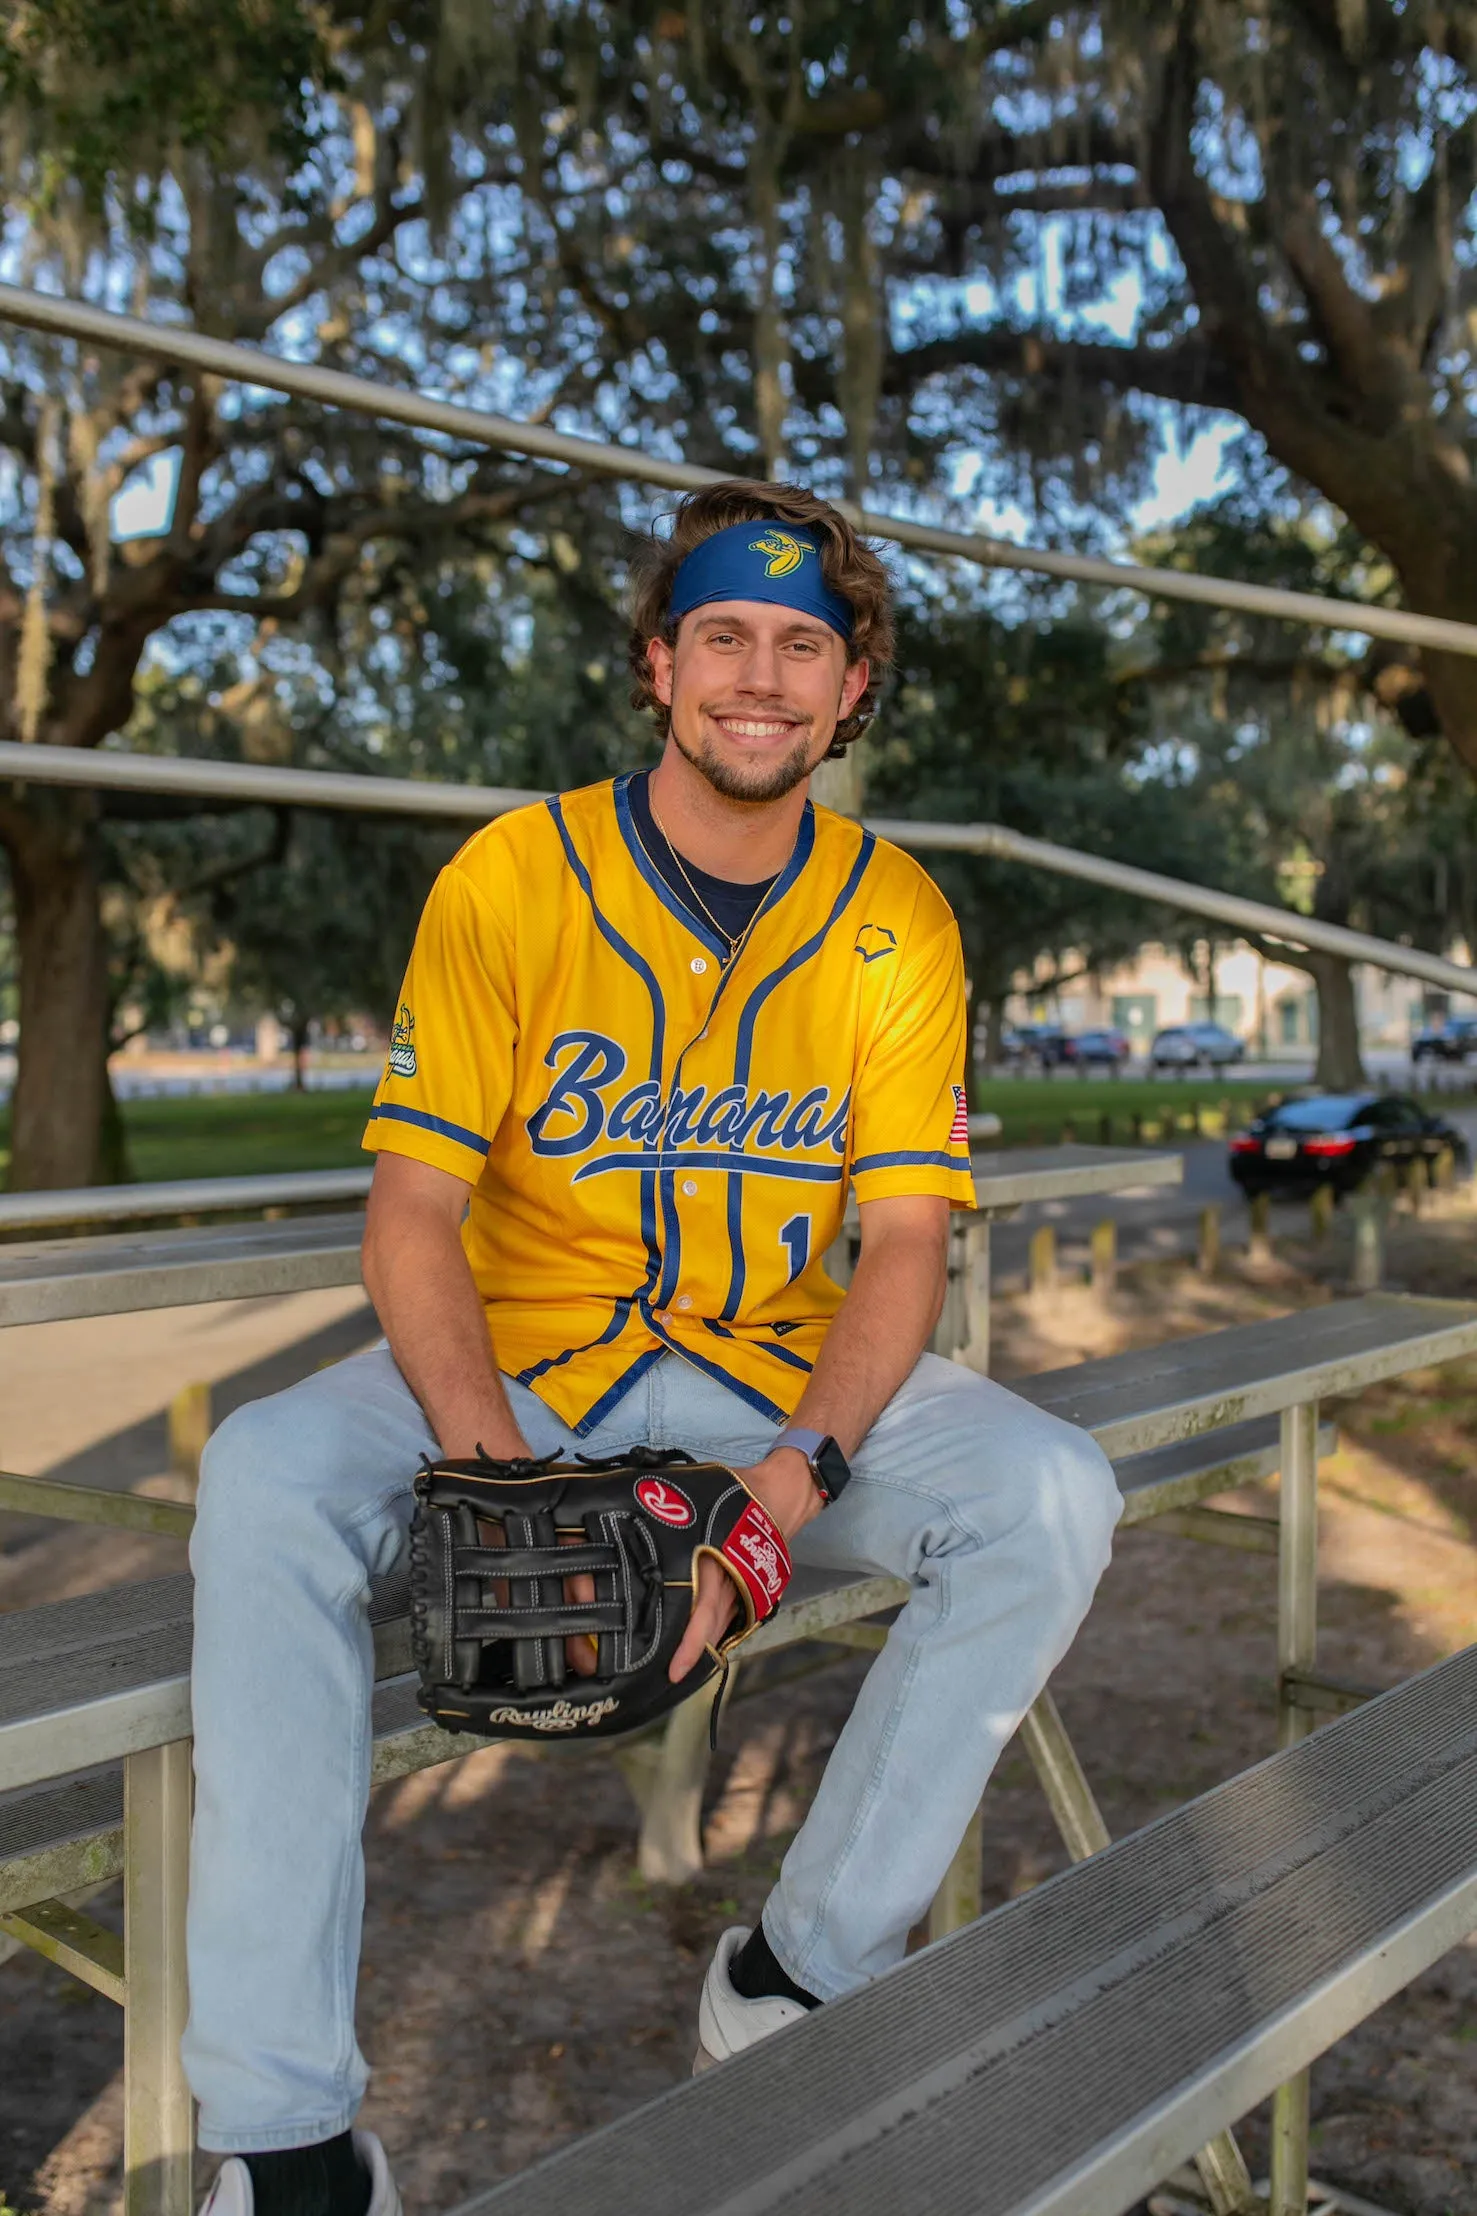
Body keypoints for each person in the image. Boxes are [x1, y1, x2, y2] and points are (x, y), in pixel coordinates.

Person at [186, 481, 1121, 2216]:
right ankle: (287, 2135)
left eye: (802, 647)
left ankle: (799, 1973)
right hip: (521, 1363)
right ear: (657, 663)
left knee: (1053, 1494)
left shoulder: (900, 916)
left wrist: (775, 1505)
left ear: (851, 690)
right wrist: (492, 1474)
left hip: (773, 1371)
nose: (759, 678)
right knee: (260, 1479)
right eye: (722, 638)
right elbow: (409, 1215)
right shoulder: (512, 877)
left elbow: (904, 1239)